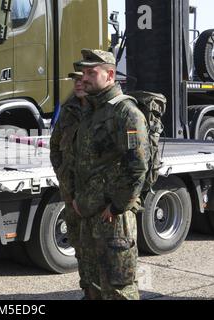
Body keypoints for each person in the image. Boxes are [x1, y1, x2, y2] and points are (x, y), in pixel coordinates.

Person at [68, 49, 149, 300]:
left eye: (92, 72)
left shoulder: (126, 113)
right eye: (84, 72)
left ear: (110, 74)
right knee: (92, 285)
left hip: (113, 220)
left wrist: (116, 207)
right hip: (89, 214)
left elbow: (137, 167)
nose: (85, 78)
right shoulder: (91, 111)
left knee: (118, 289)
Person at [50, 70, 101, 299]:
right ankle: (88, 292)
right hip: (72, 195)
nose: (78, 83)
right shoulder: (69, 109)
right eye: (75, 80)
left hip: (97, 198)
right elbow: (55, 146)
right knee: (80, 247)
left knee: (102, 251)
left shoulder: (105, 109)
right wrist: (63, 176)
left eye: (82, 79)